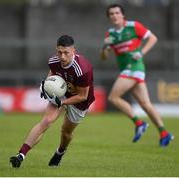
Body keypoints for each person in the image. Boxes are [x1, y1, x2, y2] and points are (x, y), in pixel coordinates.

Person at [10, 35, 95, 168]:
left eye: (66, 53)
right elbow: (53, 73)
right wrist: (46, 84)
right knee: (46, 121)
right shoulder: (54, 61)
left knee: (66, 132)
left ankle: (60, 152)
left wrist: (62, 103)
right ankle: (21, 155)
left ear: (73, 51)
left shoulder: (83, 69)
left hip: (79, 101)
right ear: (56, 50)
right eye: (59, 52)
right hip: (61, 95)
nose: (62, 57)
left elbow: (82, 96)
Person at [100, 4, 173, 147]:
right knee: (145, 104)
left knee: (113, 98)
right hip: (125, 70)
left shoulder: (133, 26)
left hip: (134, 67)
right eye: (111, 14)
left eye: (117, 13)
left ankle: (139, 123)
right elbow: (103, 57)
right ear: (109, 17)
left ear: (123, 15)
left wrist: (141, 52)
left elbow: (153, 38)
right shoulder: (110, 34)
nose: (114, 15)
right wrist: (104, 47)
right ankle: (164, 133)